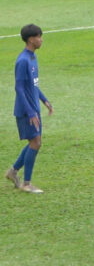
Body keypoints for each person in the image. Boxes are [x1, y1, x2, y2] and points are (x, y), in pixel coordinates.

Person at [5, 24, 53, 194]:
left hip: (33, 107)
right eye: (39, 36)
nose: (41, 40)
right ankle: (26, 183)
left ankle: (13, 172)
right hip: (26, 110)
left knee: (35, 142)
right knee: (36, 142)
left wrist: (44, 100)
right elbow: (18, 88)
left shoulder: (32, 57)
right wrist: (31, 112)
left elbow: (33, 85)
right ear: (31, 39)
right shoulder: (23, 60)